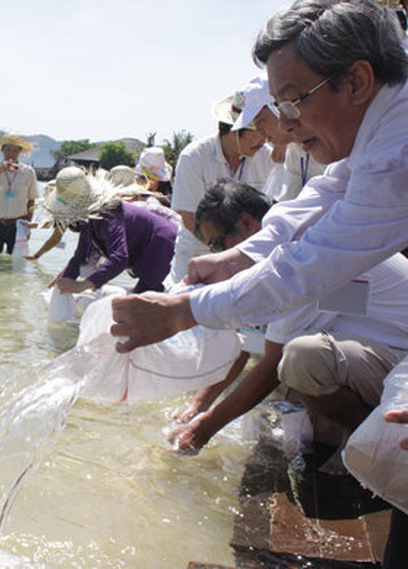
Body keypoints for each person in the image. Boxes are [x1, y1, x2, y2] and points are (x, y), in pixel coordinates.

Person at [107, 2, 408, 564]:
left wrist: (183, 311)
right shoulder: (380, 129)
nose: (285, 124)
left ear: (358, 80)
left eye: (293, 99)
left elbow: (307, 267)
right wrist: (238, 258)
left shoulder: (399, 149)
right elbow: (316, 202)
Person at [170, 181, 408, 472]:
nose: (219, 254)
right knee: (287, 377)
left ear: (246, 223)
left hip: (401, 362)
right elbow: (245, 345)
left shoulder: (299, 255)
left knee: (299, 359)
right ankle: (341, 428)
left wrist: (200, 431)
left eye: (219, 243)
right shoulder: (287, 252)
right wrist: (198, 405)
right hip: (377, 349)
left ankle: (367, 441)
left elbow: (272, 365)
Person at [164, 86, 274, 288]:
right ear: (234, 131)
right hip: (198, 251)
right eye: (257, 132)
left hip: (246, 255)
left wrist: (238, 254)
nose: (264, 139)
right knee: (187, 308)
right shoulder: (194, 157)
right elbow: (189, 218)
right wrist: (222, 251)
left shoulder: (267, 156)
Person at [45, 166, 177, 294]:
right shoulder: (89, 219)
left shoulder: (108, 215)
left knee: (140, 302)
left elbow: (119, 258)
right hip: (148, 248)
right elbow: (80, 257)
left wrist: (82, 286)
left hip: (162, 244)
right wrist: (62, 283)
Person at [232, 75, 326, 202]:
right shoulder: (294, 150)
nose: (259, 131)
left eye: (260, 121)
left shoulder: (327, 136)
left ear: (277, 109)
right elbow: (290, 199)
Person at [0, 133, 38, 254]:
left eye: (15, 151)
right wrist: (0, 170)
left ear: (19, 153)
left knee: (16, 265)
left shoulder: (28, 172)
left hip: (17, 226)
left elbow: (31, 200)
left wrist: (27, 227)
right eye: (8, 150)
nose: (11, 154)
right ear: (2, 150)